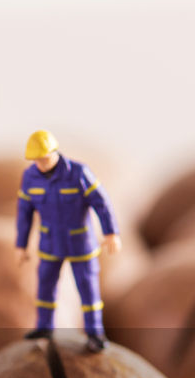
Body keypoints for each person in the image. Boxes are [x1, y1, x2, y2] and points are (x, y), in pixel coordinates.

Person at [15, 130, 121, 352]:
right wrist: (21, 244)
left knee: (88, 288)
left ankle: (94, 332)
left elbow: (101, 202)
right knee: (45, 287)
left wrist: (111, 233)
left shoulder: (79, 173)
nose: (41, 164)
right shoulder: (30, 177)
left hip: (80, 243)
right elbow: (24, 213)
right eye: (36, 160)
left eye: (43, 158)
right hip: (50, 243)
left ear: (54, 152)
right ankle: (44, 327)